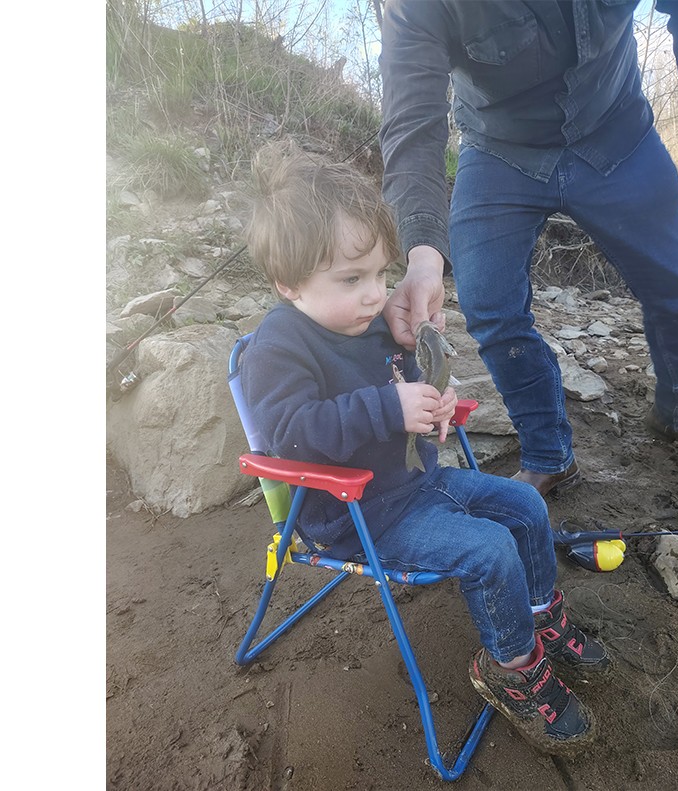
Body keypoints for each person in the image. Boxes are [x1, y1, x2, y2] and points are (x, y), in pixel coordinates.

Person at [240, 142, 611, 755]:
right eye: (351, 279)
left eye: (381, 274)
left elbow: (406, 380)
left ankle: (541, 614)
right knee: (490, 548)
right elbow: (290, 432)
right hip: (357, 517)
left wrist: (434, 401)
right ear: (289, 284)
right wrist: (391, 407)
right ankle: (512, 671)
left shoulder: (371, 322)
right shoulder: (278, 346)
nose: (373, 294)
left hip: (414, 485)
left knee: (526, 506)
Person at [378, 0, 678, 492]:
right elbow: (412, 121)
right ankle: (550, 454)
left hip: (619, 133)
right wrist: (423, 255)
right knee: (488, 304)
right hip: (499, 150)